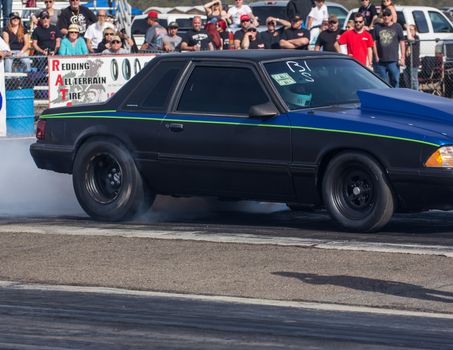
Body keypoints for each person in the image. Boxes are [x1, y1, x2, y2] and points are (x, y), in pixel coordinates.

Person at [372, 8, 405, 87]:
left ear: (391, 17)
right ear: (382, 17)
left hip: (393, 60)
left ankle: (396, 98)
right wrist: (376, 56)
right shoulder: (377, 27)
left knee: (395, 81)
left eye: (388, 15)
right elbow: (374, 42)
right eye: (384, 15)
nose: (386, 17)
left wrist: (402, 57)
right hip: (380, 61)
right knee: (382, 83)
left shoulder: (397, 26)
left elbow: (402, 41)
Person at [403, 24, 420, 90]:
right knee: (407, 80)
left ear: (415, 31)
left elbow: (410, 39)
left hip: (414, 62)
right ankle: (410, 92)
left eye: (411, 30)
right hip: (406, 63)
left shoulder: (416, 37)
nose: (410, 31)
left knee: (413, 80)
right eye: (409, 30)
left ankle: (416, 94)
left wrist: (407, 27)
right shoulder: (405, 38)